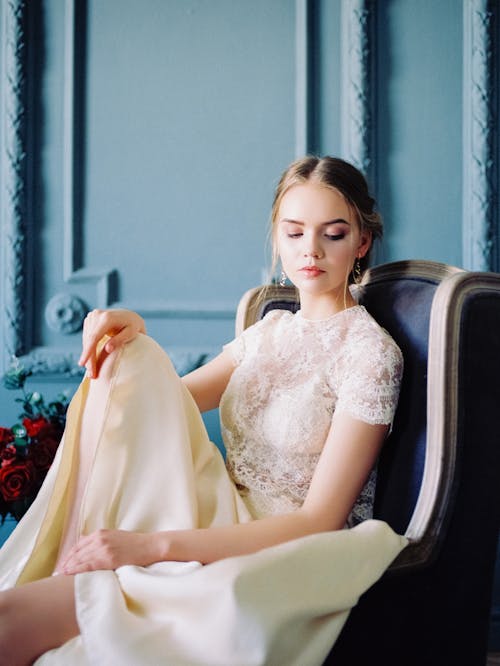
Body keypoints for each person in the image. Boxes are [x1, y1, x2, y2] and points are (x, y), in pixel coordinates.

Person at [0, 156, 405, 665]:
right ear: (277, 239)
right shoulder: (268, 333)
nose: (312, 251)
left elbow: (320, 520)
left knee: (33, 624)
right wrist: (131, 335)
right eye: (295, 232)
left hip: (280, 545)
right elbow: (163, 401)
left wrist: (153, 547)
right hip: (210, 509)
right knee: (10, 615)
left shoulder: (370, 354)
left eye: (334, 233)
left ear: (361, 243)